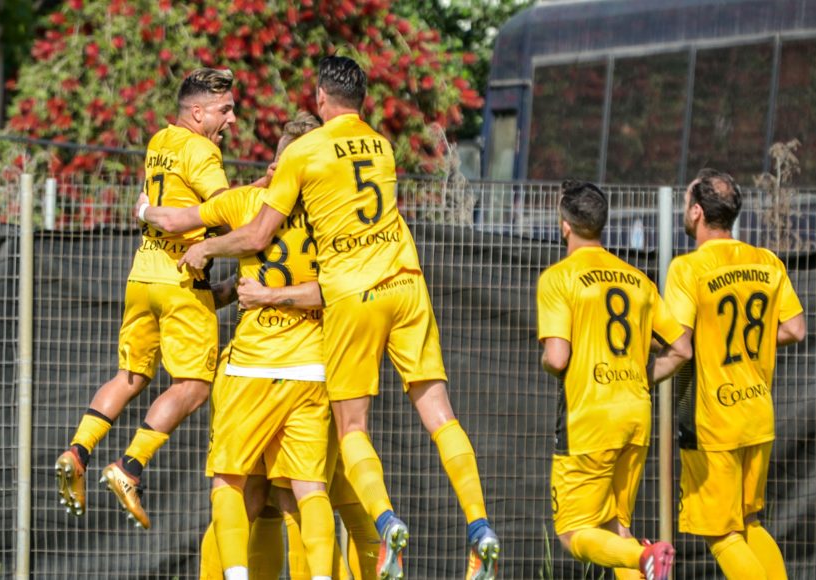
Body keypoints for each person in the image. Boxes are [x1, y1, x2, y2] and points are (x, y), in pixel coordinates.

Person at [175, 55, 500, 579]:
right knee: (432, 421)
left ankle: (387, 518)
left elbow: (251, 232)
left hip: (329, 314)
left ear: (320, 97)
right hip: (402, 285)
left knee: (266, 481)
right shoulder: (383, 148)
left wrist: (198, 244)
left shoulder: (297, 161)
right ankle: (478, 524)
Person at [142, 112, 339, 580]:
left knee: (231, 485)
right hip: (313, 369)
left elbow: (176, 219)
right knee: (305, 494)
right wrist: (243, 293)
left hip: (251, 367)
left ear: (278, 162)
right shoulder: (333, 216)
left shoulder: (247, 203)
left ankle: (232, 575)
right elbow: (332, 290)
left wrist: (145, 210)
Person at [55, 67, 246, 530]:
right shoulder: (202, 150)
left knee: (131, 375)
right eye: (225, 110)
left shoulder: (160, 141)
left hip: (143, 274)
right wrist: (258, 205)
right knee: (193, 387)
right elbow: (226, 211)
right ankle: (130, 466)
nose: (233, 120)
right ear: (197, 113)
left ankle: (78, 451)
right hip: (182, 278)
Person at [536, 180, 691, 580]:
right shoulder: (637, 280)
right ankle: (643, 558)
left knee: (572, 533)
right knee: (615, 527)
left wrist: (546, 359)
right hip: (635, 416)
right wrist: (640, 376)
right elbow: (682, 349)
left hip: (590, 419)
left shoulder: (559, 278)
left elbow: (557, 357)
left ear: (564, 225)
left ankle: (644, 557)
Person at [664, 169, 806, 579]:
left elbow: (678, 342)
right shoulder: (766, 262)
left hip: (712, 421)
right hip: (757, 414)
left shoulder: (688, 268)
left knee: (722, 534)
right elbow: (795, 328)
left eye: (686, 201)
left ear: (697, 212)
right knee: (750, 523)